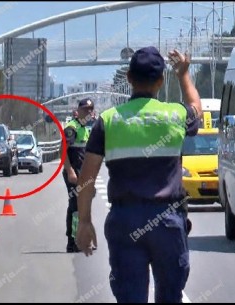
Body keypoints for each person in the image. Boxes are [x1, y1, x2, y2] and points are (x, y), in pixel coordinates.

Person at [75, 46, 202, 303]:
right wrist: (184, 74)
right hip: (167, 222)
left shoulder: (108, 121)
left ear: (129, 79)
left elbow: (87, 177)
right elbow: (196, 108)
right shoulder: (175, 115)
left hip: (125, 221)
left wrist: (85, 222)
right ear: (160, 81)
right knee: (170, 296)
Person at [63, 98, 95, 253]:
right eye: (85, 109)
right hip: (74, 173)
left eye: (91, 109)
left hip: (83, 174)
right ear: (79, 111)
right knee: (75, 205)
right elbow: (63, 151)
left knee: (83, 205)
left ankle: (82, 239)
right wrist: (70, 171)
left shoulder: (85, 128)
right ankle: (72, 241)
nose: (88, 112)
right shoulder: (72, 128)